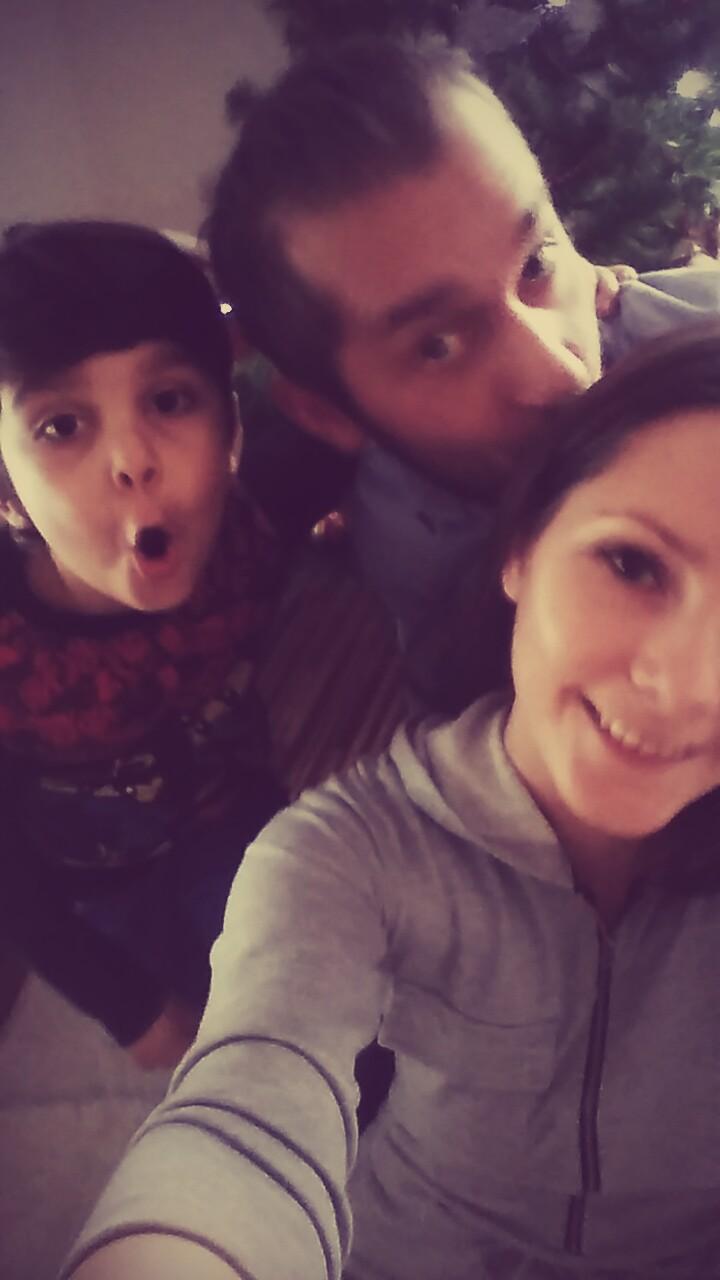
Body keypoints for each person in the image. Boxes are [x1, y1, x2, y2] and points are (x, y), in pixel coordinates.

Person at [64, 323, 720, 1278]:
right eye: (633, 564)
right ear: (521, 550)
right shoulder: (348, 855)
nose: (688, 681)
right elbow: (247, 1111)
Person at [205, 35, 720, 692]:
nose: (562, 374)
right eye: (437, 346)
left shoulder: (695, 329)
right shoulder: (431, 574)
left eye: (536, 263)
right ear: (327, 412)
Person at [0, 220, 287, 1070]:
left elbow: (326, 426)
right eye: (61, 426)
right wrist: (125, 1005)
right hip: (101, 890)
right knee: (206, 1035)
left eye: (169, 401)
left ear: (231, 433)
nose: (132, 460)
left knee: (317, 1009)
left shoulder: (249, 534)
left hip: (249, 829)